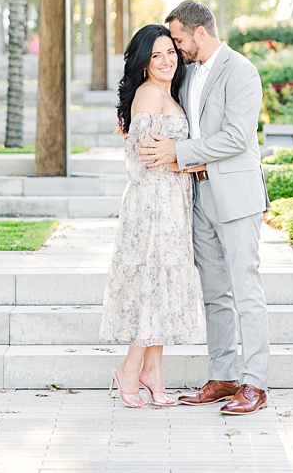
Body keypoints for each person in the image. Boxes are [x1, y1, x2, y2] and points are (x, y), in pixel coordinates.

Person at [138, 0, 271, 417]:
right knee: (215, 293)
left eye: (178, 39)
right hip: (197, 195)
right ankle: (224, 376)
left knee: (245, 289)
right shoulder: (189, 73)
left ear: (199, 32)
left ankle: (255, 384)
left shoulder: (242, 72)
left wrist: (179, 150)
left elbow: (235, 138)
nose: (175, 49)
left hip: (236, 195)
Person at [100, 23, 205, 409]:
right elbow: (142, 161)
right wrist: (187, 162)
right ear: (143, 62)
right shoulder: (148, 94)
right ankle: (129, 370)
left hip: (172, 205)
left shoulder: (169, 93)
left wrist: (181, 157)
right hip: (152, 208)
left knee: (162, 287)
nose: (165, 61)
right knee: (150, 286)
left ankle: (153, 372)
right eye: (156, 55)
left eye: (171, 53)